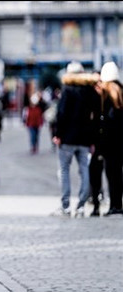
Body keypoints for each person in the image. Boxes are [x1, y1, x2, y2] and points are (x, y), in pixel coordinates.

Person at [50, 61, 97, 218]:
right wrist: (92, 139)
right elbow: (93, 118)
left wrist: (57, 134)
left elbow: (62, 114)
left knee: (64, 171)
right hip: (84, 139)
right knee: (84, 170)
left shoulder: (68, 90)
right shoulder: (90, 91)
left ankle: (66, 206)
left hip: (67, 139)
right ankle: (81, 206)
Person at [91, 61, 123, 216]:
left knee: (112, 175)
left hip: (110, 144)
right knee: (119, 175)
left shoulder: (108, 97)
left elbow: (105, 123)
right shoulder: (120, 92)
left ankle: (115, 205)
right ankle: (118, 204)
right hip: (119, 143)